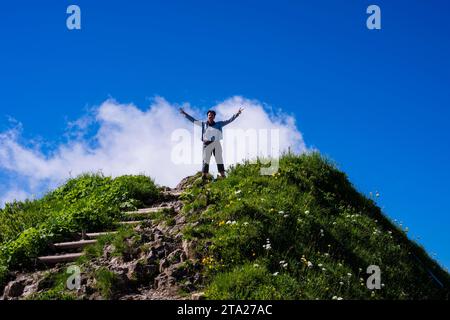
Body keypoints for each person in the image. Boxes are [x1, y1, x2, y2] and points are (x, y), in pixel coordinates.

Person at [179, 107, 243, 180]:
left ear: (214, 117)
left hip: (216, 143)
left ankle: (222, 175)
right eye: (209, 115)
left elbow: (229, 120)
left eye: (212, 115)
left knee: (219, 159)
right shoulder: (203, 124)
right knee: (205, 160)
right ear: (207, 116)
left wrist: (237, 114)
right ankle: (204, 176)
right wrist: (185, 114)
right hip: (206, 144)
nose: (210, 116)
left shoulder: (219, 124)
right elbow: (194, 120)